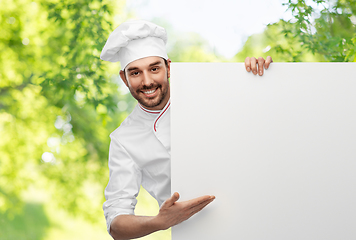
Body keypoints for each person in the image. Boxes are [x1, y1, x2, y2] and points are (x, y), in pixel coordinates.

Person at [100, 20, 273, 240]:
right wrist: (159, 221)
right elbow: (116, 223)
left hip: (260, 214)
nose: (147, 81)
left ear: (169, 67)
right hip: (195, 233)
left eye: (154, 69)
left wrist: (259, 79)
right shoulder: (123, 140)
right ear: (124, 78)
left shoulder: (211, 95)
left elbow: (259, 126)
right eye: (135, 73)